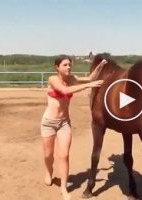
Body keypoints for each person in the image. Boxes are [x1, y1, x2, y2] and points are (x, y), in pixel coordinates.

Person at [40, 54, 107, 200]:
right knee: (48, 155)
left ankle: (64, 188)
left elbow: (90, 78)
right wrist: (88, 86)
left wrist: (100, 67)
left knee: (64, 156)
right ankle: (48, 170)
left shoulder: (72, 79)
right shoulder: (53, 79)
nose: (68, 67)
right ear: (57, 67)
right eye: (65, 65)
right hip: (48, 123)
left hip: (64, 123)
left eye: (70, 65)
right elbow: (64, 91)